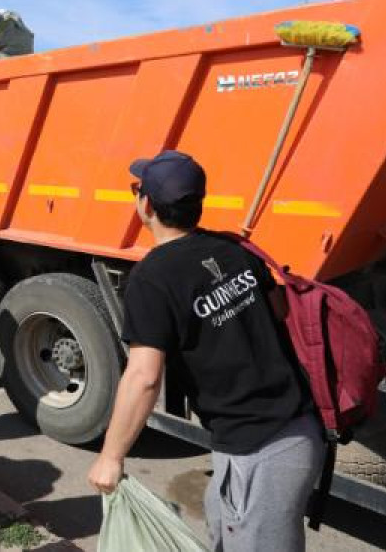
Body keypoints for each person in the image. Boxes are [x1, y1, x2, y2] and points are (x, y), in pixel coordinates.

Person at [86, 150, 321, 551]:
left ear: (146, 205)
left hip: (261, 448)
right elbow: (279, 310)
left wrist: (111, 455)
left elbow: (144, 377)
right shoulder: (234, 249)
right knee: (220, 518)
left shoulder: (152, 278)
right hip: (295, 429)